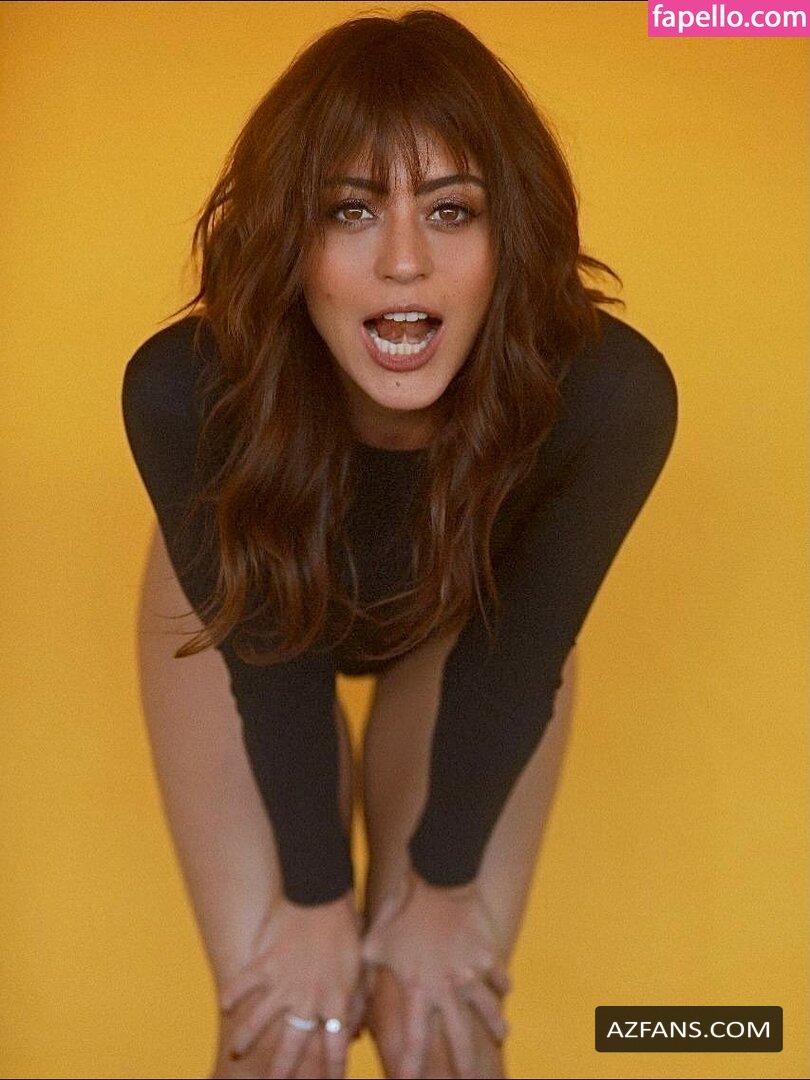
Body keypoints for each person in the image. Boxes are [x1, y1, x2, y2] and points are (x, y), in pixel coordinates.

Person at [121, 9, 678, 1079]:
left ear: (513, 234)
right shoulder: (181, 391)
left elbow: (514, 664)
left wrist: (443, 886)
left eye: (452, 209)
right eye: (350, 209)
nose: (405, 261)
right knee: (283, 1039)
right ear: (288, 238)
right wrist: (314, 900)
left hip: (470, 627)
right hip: (241, 627)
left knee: (443, 1035)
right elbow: (269, 668)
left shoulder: (610, 397)